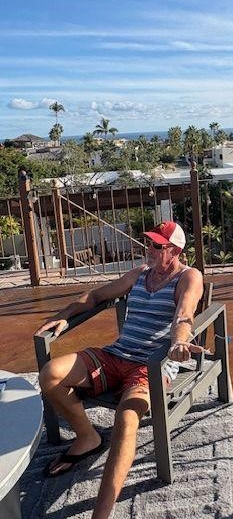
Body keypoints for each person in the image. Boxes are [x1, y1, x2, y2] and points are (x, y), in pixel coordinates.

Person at [35, 221, 204, 519]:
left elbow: (184, 314)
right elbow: (95, 296)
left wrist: (179, 342)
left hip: (151, 366)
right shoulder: (140, 274)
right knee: (50, 374)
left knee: (126, 421)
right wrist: (64, 315)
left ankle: (101, 513)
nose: (148, 249)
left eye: (156, 245)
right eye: (148, 242)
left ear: (175, 250)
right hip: (116, 355)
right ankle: (88, 437)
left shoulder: (188, 276)